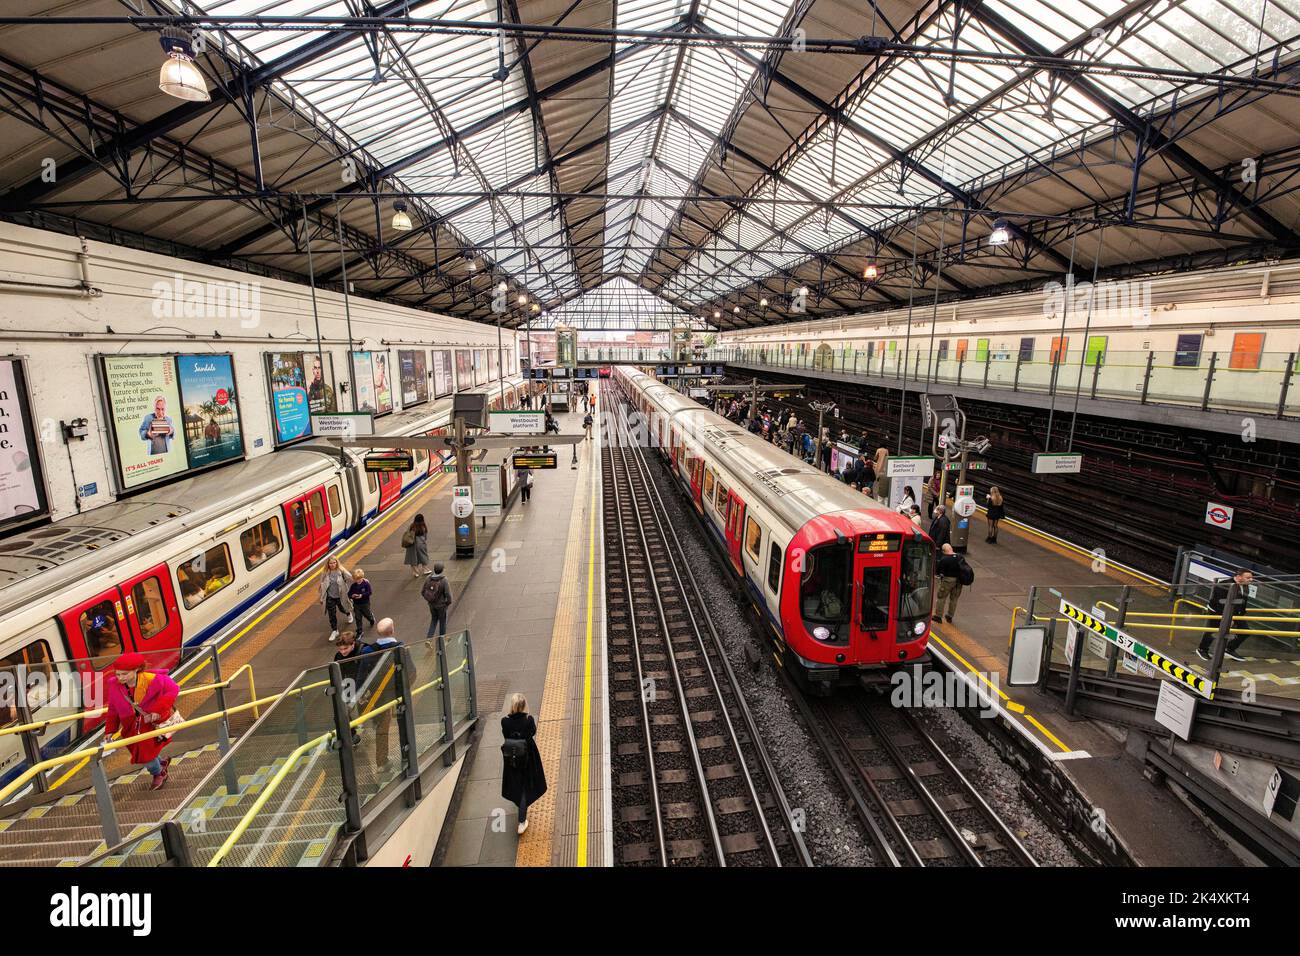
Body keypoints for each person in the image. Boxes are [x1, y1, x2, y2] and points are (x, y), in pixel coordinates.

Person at [102, 652, 179, 791]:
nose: (120, 678)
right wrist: (110, 730)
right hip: (131, 726)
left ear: (137, 669)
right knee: (146, 751)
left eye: (124, 674)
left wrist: (158, 709)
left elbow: (173, 689)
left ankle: (159, 773)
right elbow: (113, 709)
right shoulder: (114, 685)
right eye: (118, 674)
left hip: (149, 723)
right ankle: (161, 763)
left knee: (144, 756)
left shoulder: (154, 679)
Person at [500, 693, 548, 835]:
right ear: (524, 705)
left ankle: (518, 804)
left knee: (516, 783)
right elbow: (533, 732)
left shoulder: (505, 721)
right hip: (528, 757)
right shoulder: (528, 720)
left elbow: (505, 735)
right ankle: (522, 821)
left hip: (511, 758)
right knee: (525, 787)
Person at [1196, 570, 1254, 663]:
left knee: (1245, 631)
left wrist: (1240, 615)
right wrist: (1228, 618)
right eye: (1248, 578)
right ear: (1239, 577)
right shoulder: (1224, 585)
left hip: (1235, 613)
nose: (1251, 580)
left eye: (1251, 578)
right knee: (1213, 630)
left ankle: (1229, 649)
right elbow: (1220, 603)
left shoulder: (1245, 586)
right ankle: (1202, 649)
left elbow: (1243, 601)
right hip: (1217, 611)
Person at [317, 555, 353, 642]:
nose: (332, 564)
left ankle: (348, 614)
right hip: (330, 597)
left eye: (334, 562)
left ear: (337, 563)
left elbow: (350, 577)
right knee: (331, 614)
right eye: (330, 563)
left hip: (340, 595)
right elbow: (322, 585)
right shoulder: (325, 573)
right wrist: (321, 598)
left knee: (342, 608)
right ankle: (334, 630)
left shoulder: (341, 571)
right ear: (328, 564)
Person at [934, 544, 964, 624]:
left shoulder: (944, 559)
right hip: (958, 582)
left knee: (941, 597)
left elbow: (939, 571)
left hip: (947, 581)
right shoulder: (960, 557)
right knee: (954, 599)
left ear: (944, 551)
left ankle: (938, 616)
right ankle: (950, 616)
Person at [422, 563, 453, 638]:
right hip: (441, 606)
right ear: (442, 570)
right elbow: (448, 594)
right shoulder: (444, 580)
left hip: (431, 605)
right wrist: (447, 603)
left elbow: (423, 592)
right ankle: (442, 639)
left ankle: (429, 639)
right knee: (442, 622)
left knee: (434, 620)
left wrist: (429, 600)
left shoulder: (428, 578)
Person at [348, 567, 376, 639]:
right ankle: (360, 631)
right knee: (358, 617)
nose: (358, 581)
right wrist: (352, 596)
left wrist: (362, 595)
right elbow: (349, 594)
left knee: (367, 614)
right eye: (356, 579)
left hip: (365, 603)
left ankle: (371, 618)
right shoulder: (353, 586)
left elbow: (369, 592)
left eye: (359, 579)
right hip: (356, 604)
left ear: (362, 577)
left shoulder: (366, 584)